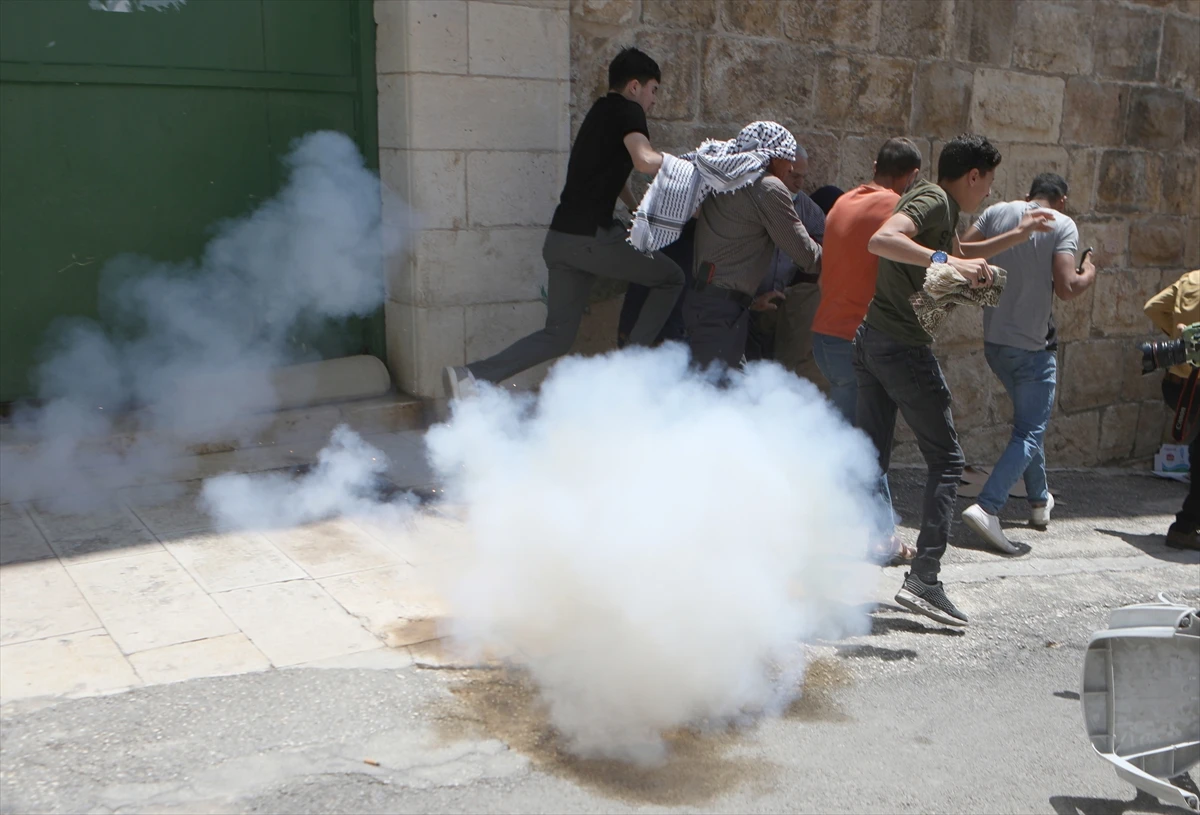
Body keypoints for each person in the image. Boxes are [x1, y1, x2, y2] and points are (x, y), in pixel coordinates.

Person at [855, 133, 1054, 628]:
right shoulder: (935, 199)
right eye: (987, 183)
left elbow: (966, 250)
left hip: (874, 340)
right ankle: (924, 578)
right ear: (972, 176)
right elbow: (883, 239)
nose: (988, 193)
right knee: (948, 463)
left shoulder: (943, 211)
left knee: (866, 456)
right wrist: (948, 263)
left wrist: (1008, 240)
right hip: (900, 348)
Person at [443, 48, 684, 399]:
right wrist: (684, 166)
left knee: (557, 336)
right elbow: (645, 160)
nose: (654, 101)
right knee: (671, 278)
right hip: (591, 240)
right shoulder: (628, 110)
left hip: (561, 242)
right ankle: (628, 370)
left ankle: (469, 377)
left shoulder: (600, 112)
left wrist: (634, 208)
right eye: (654, 90)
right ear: (635, 87)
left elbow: (612, 174)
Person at [959, 173, 1097, 553]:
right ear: (1062, 200)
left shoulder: (997, 211)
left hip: (996, 344)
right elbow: (1067, 287)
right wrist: (1090, 273)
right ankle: (987, 507)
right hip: (1034, 349)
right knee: (1029, 431)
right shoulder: (1062, 224)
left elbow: (960, 253)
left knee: (1028, 426)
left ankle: (1039, 503)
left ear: (1028, 195)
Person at [683, 122, 821, 370]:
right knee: (713, 397)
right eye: (788, 161)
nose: (790, 168)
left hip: (714, 306)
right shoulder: (767, 187)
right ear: (774, 157)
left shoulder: (728, 177)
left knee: (727, 393)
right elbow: (804, 253)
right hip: (720, 311)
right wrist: (843, 260)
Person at [812, 138, 923, 426]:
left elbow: (825, 278)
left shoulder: (842, 202)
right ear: (912, 175)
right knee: (867, 450)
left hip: (825, 337)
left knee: (842, 441)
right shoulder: (899, 210)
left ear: (875, 167)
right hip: (859, 343)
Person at [745, 146, 828, 367]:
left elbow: (827, 245)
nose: (799, 183)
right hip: (741, 308)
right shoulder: (750, 200)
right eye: (794, 175)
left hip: (777, 310)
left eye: (803, 177)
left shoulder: (806, 207)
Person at [1144, 270, 1200, 551]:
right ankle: (1185, 526)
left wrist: (1181, 341)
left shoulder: (1191, 280)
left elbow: (1152, 308)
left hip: (1177, 386)